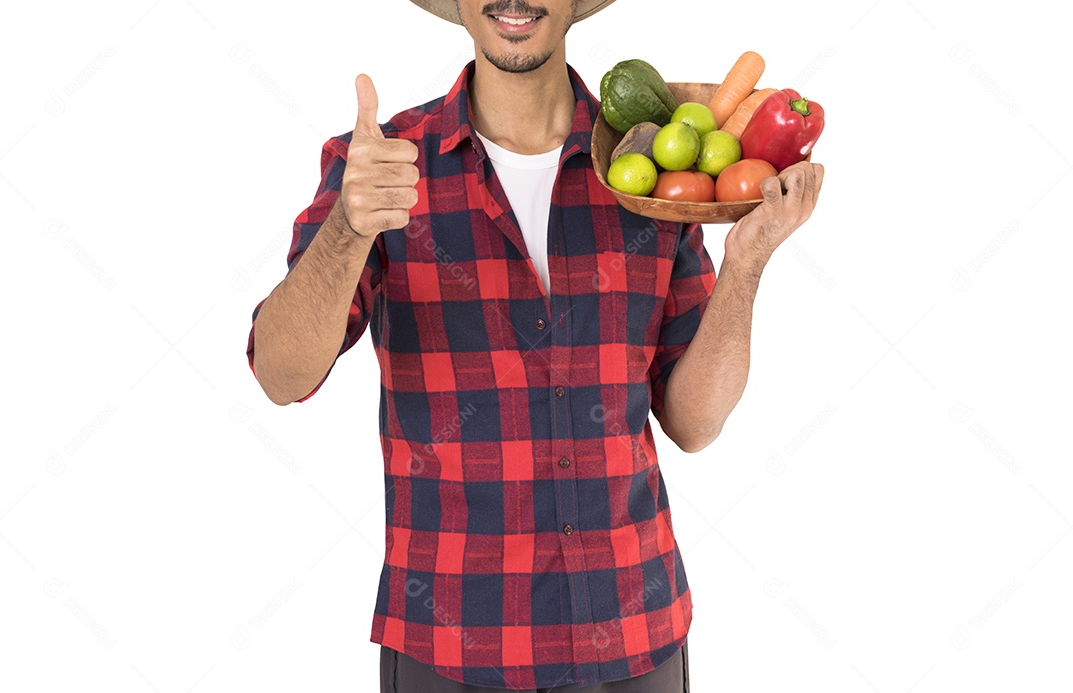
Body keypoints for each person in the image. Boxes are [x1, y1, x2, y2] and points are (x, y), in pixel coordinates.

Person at [246, 0, 823, 690]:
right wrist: (350, 221)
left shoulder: (657, 177)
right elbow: (280, 373)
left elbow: (694, 422)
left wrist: (747, 261)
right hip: (451, 651)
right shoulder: (380, 165)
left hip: (635, 640)